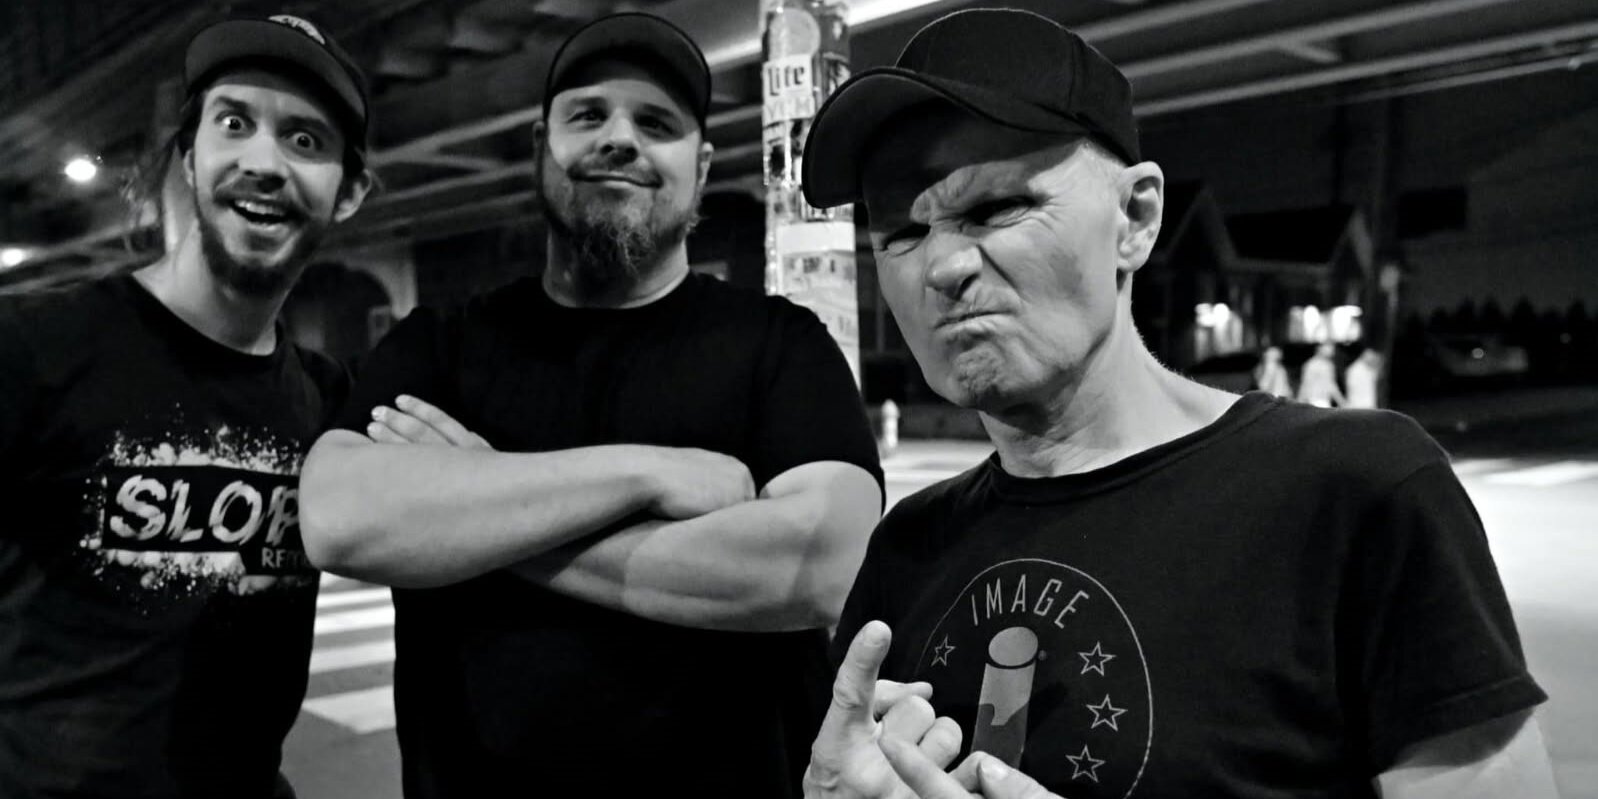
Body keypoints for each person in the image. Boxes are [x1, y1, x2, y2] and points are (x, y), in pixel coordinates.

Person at [796, 8, 1554, 798]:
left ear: (1136, 218)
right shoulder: (909, 548)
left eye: (994, 208)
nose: (942, 264)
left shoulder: (1356, 491)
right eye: (900, 232)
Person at [297, 13, 882, 797]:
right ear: (543, 145)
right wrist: (648, 472)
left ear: (702, 166)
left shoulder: (780, 343)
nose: (620, 139)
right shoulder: (440, 345)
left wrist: (481, 507)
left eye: (656, 123)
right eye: (588, 115)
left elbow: (826, 565)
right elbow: (338, 516)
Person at [0, 14, 372, 799]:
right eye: (234, 123)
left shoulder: (330, 403)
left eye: (306, 140)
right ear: (190, 156)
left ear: (349, 194)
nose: (263, 162)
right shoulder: (33, 347)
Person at [1299, 341, 1347, 407]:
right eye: (1328, 346)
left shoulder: (1313, 364)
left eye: (1332, 347)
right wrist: (1342, 402)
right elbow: (1305, 385)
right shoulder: (1314, 365)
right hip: (1317, 402)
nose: (1331, 349)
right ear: (1320, 348)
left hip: (1319, 402)